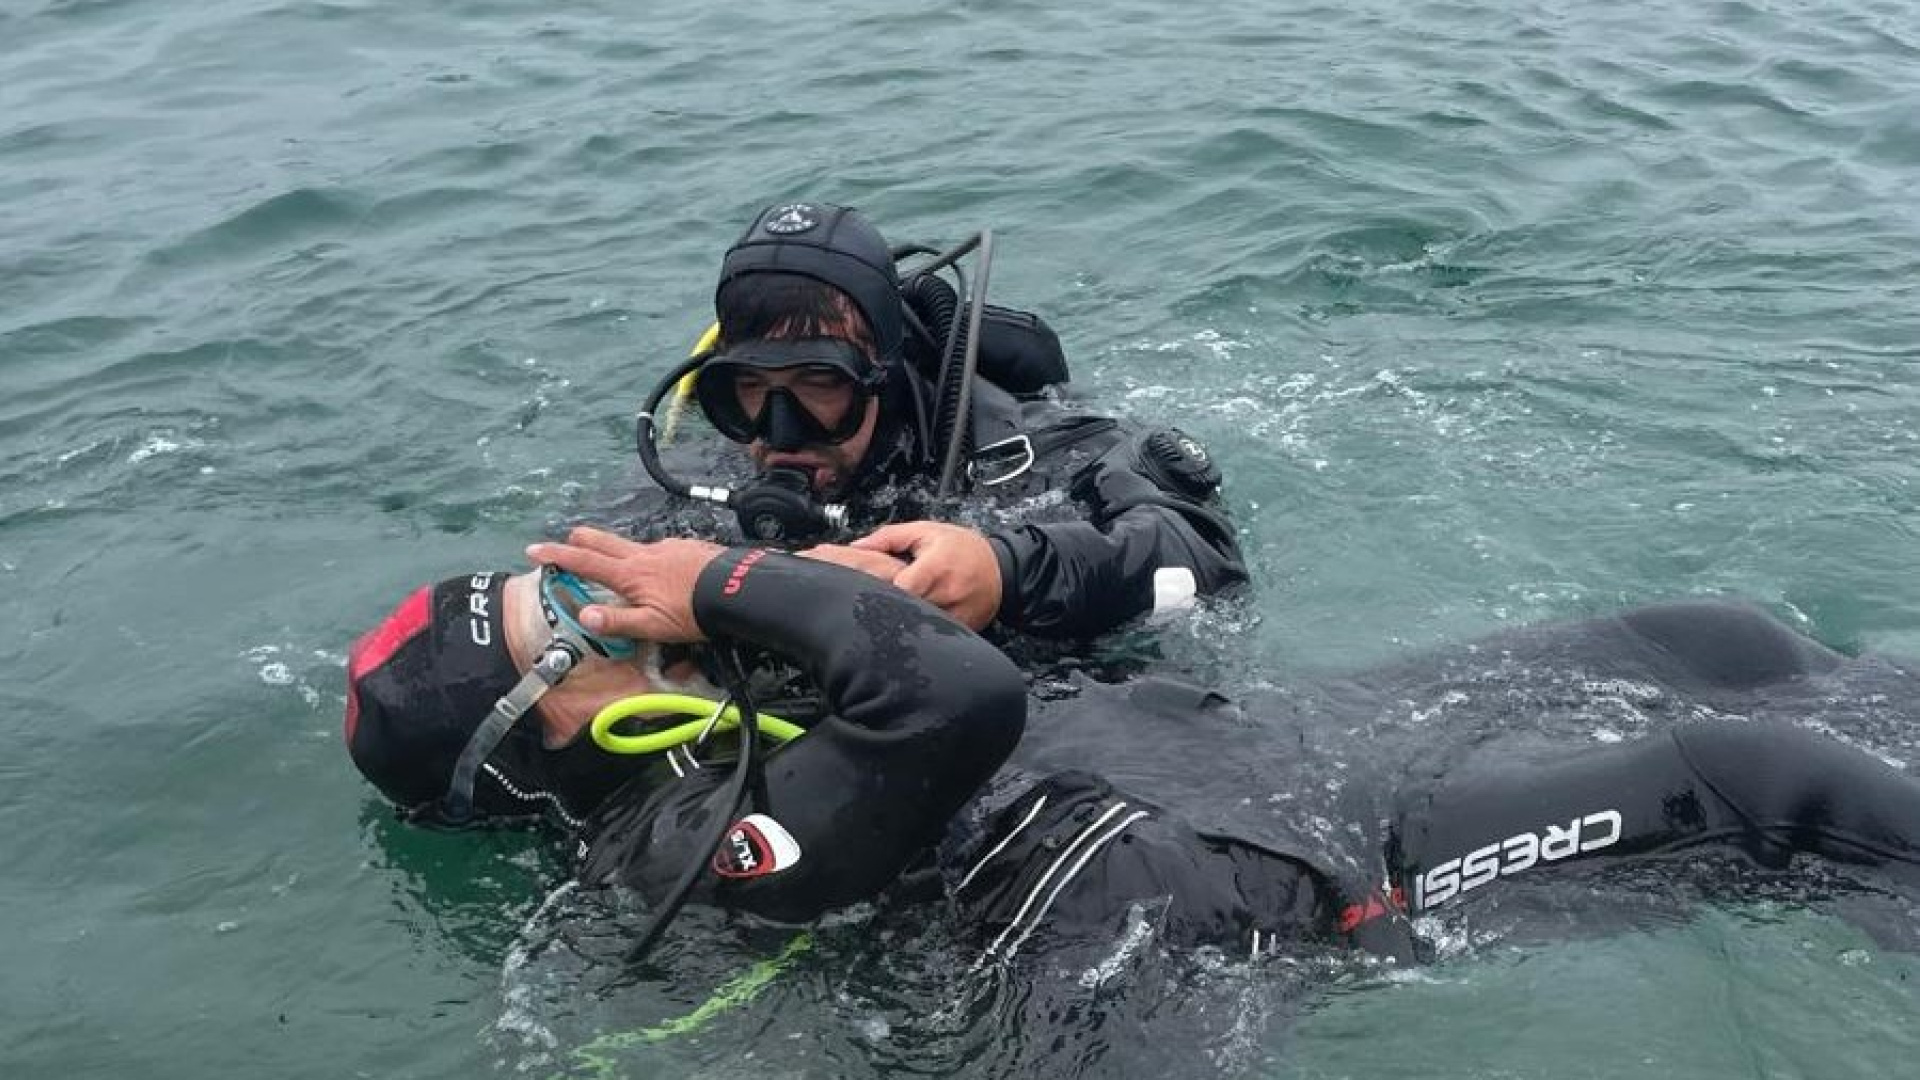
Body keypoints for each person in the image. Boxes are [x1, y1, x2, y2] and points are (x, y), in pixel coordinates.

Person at [347, 528, 1920, 962]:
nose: (614, 612)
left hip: (1252, 752)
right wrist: (737, 585)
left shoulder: (715, 711)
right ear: (527, 756)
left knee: (1710, 640)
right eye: (566, 636)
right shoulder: (677, 851)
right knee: (1758, 784)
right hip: (1281, 882)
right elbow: (958, 705)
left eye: (580, 589)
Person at [631, 201, 1246, 638]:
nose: (781, 433)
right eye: (749, 389)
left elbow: (1202, 554)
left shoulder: (1025, 453)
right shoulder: (710, 476)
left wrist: (1003, 573)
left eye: (820, 385)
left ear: (882, 374)